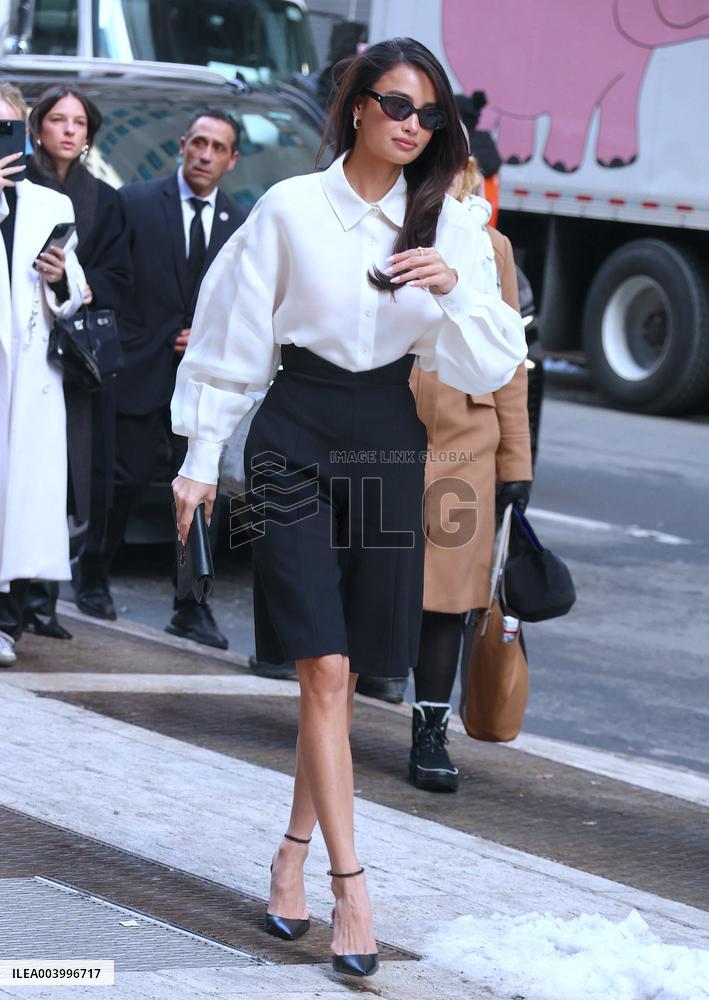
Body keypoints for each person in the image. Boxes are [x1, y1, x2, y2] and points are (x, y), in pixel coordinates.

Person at [171, 38, 527, 976]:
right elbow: (230, 336)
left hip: (386, 437)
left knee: (344, 676)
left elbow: (491, 364)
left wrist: (454, 291)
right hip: (293, 430)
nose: (413, 126)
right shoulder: (291, 208)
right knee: (320, 665)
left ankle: (287, 861)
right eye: (397, 106)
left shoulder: (450, 223)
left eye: (430, 115)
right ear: (357, 105)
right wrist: (200, 461)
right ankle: (350, 890)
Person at [74, 108, 246, 648]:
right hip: (139, 367)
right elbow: (116, 282)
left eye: (218, 148)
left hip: (200, 381)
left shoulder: (240, 223)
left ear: (232, 159)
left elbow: (243, 300)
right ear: (181, 145)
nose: (205, 155)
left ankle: (190, 606)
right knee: (121, 482)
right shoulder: (139, 202)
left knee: (199, 495)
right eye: (198, 143)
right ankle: (92, 575)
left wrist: (206, 333)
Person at [408, 152, 533, 791]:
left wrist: (516, 459)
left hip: (466, 442)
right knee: (369, 572)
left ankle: (430, 730)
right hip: (388, 429)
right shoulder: (389, 226)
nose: (457, 178)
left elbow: (512, 357)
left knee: (450, 595)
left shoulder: (492, 248)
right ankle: (333, 704)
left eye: (464, 166)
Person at [21, 85, 132, 641]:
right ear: (37, 127)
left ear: (90, 134)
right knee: (23, 470)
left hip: (80, 353)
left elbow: (120, 276)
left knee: (71, 475)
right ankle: (22, 600)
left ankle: (44, 600)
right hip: (23, 342)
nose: (68, 130)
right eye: (58, 119)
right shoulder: (17, 186)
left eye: (79, 122)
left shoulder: (106, 200)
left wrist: (81, 286)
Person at [0, 82, 86, 666]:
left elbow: (76, 291)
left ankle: (7, 619)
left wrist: (57, 277)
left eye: (6, 127)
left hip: (27, 373)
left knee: (19, 498)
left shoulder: (52, 204)